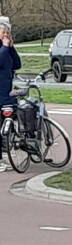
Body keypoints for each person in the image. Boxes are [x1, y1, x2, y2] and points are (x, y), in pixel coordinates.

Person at [0, 23, 21, 171]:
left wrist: (11, 48)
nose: (6, 35)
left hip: (5, 92)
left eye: (8, 33)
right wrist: (5, 47)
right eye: (3, 32)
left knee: (7, 121)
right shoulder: (2, 49)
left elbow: (17, 64)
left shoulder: (6, 49)